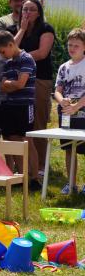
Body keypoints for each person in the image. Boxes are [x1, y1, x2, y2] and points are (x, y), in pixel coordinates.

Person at [0, 30, 41, 189]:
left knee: (27, 141)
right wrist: (13, 84)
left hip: (24, 106)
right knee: (13, 141)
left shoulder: (26, 59)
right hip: (10, 106)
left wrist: (11, 84)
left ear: (11, 44)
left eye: (3, 51)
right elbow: (3, 87)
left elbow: (21, 84)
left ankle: (34, 178)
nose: (2, 55)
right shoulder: (8, 63)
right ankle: (22, 177)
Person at [15, 0, 55, 173]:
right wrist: (22, 30)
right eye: (25, 9)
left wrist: (18, 58)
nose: (27, 13)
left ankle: (41, 165)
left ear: (39, 13)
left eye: (32, 9)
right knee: (20, 122)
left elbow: (41, 53)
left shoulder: (46, 29)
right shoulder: (14, 30)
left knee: (38, 122)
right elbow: (9, 48)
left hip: (39, 79)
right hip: (19, 81)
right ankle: (23, 163)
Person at [54, 29, 85, 194]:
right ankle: (71, 183)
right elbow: (58, 90)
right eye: (70, 45)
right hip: (66, 113)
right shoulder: (63, 67)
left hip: (82, 112)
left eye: (76, 45)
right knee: (68, 148)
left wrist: (76, 106)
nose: (72, 48)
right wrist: (62, 101)